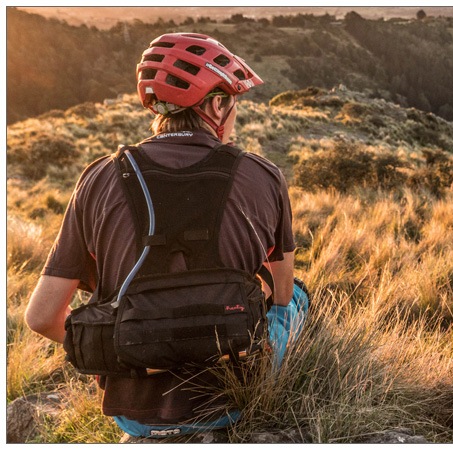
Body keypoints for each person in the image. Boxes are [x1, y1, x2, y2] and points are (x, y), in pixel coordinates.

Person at [25, 32, 308, 442]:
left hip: (136, 414)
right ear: (216, 104)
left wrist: (128, 350)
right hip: (234, 399)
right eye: (233, 105)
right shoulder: (263, 175)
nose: (234, 118)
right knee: (296, 295)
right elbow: (280, 294)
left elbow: (41, 318)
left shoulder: (98, 178)